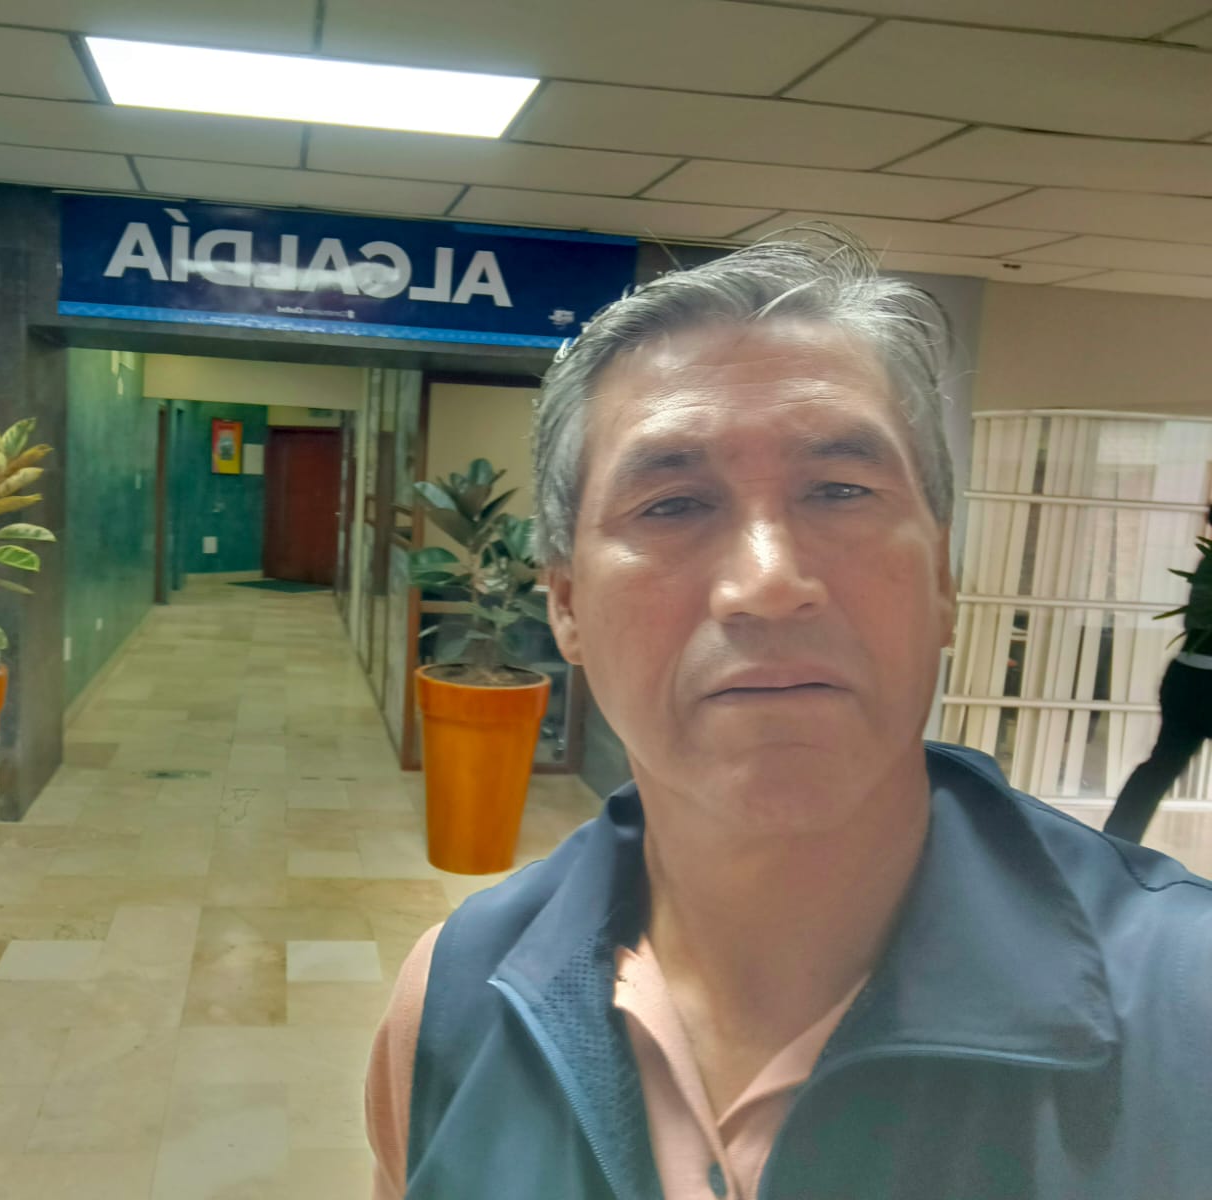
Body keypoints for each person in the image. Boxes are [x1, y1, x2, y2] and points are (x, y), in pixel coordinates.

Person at [364, 233, 1212, 1200]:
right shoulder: (456, 1003)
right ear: (565, 604)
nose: (768, 584)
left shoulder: (1186, 1010)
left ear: (942, 577)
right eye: (672, 505)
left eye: (841, 492)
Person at [1103, 507, 1212, 843]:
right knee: (1162, 765)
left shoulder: (1208, 564)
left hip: (1186, 679)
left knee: (1161, 765)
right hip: (1202, 682)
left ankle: (1115, 845)